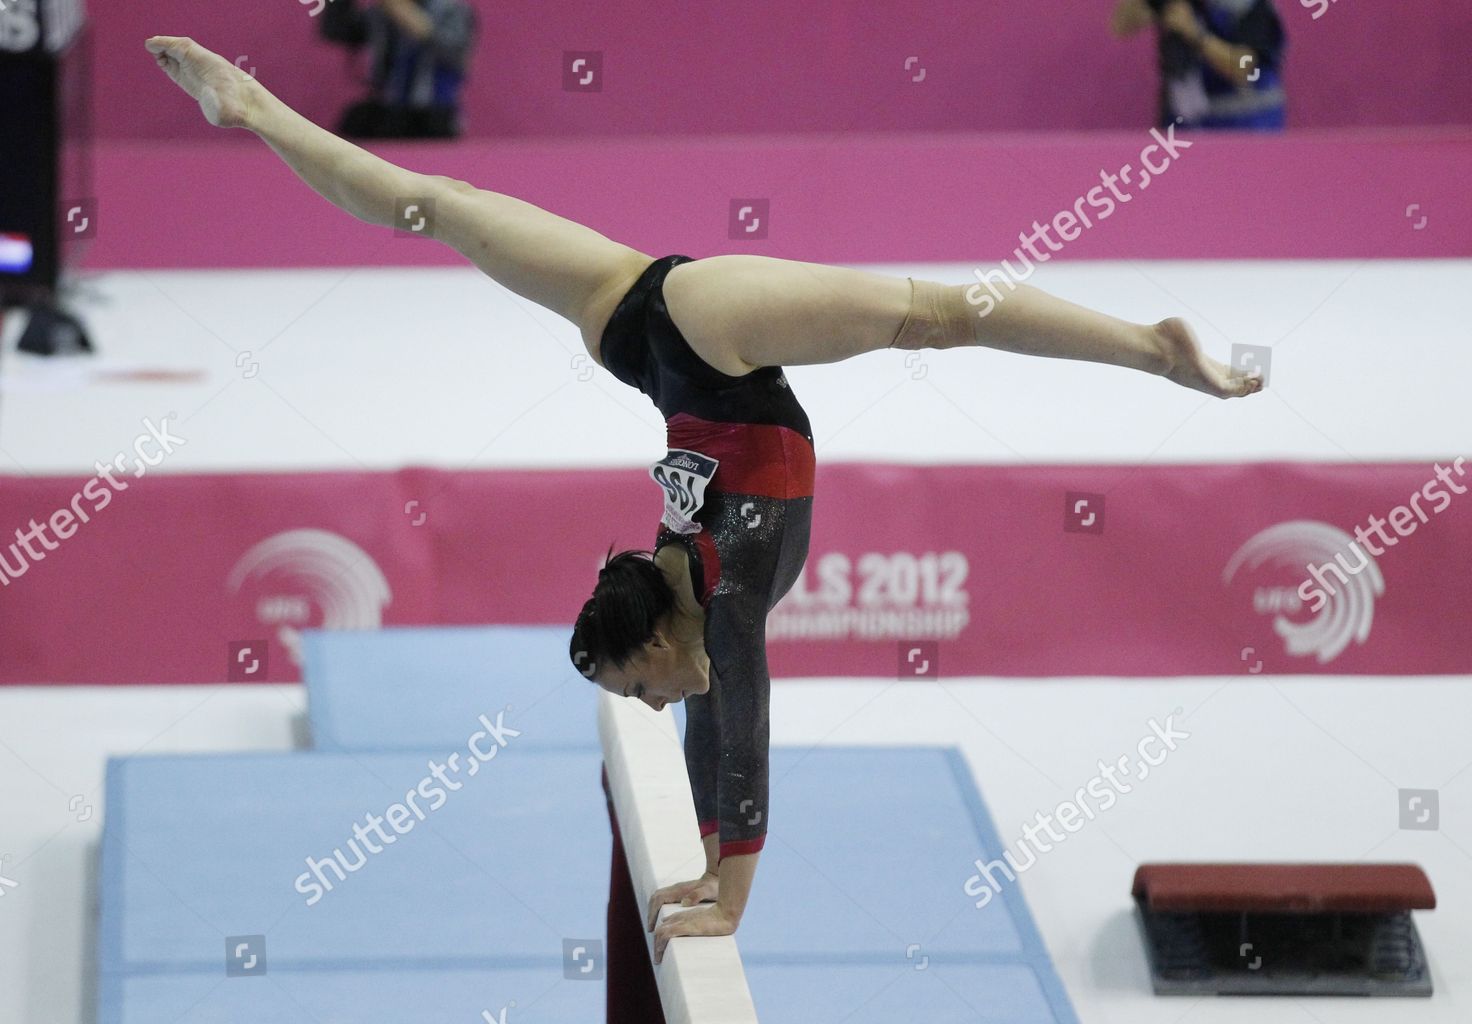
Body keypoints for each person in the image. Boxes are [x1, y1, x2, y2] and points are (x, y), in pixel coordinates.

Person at [145, 34, 1263, 963]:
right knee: (432, 202)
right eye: (638, 693)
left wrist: (729, 888)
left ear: (662, 636)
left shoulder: (715, 597)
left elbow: (733, 735)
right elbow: (729, 730)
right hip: (647, 333)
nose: (644, 704)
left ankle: (1155, 349)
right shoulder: (694, 601)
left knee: (940, 312)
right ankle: (250, 105)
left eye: (635, 688)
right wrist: (718, 870)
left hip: (700, 330)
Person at [1112, 0, 1286, 130]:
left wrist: (1195, 34)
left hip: (1247, 126)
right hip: (1184, 128)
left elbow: (1244, 67)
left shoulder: (1249, 5)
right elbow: (1121, 25)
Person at [317, 0, 477, 139]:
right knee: (356, 121)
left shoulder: (452, 10)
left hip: (435, 115)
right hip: (388, 113)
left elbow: (452, 50)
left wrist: (403, 12)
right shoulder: (379, 13)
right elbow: (335, 29)